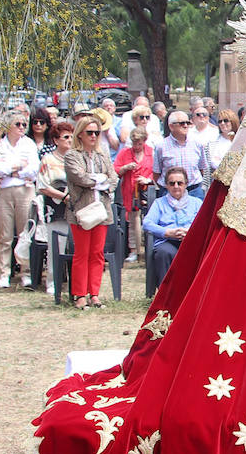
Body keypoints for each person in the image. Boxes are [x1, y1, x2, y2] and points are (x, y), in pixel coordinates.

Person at [63, 116, 118, 309]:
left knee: (97, 254)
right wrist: (99, 180)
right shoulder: (72, 156)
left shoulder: (103, 155)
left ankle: (94, 294)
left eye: (97, 132)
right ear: (80, 134)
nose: (94, 136)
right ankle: (80, 295)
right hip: (82, 211)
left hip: (102, 210)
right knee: (82, 253)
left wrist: (100, 179)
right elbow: (79, 177)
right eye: (90, 132)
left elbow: (113, 178)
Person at [0, 108, 39, 288]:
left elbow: (33, 170)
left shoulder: (29, 144)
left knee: (24, 233)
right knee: (4, 235)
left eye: (24, 125)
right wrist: (18, 167)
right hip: (3, 192)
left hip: (24, 191)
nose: (21, 127)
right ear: (8, 126)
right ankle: (5, 272)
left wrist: (11, 170)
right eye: (17, 124)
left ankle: (25, 271)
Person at [33, 120, 74, 293]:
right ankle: (52, 281)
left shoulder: (75, 158)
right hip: (55, 209)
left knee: (73, 247)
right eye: (66, 137)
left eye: (72, 137)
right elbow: (42, 186)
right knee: (55, 246)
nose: (70, 140)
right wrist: (62, 196)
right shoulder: (48, 160)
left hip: (75, 209)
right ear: (56, 140)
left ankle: (74, 283)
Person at [143, 165, 201, 282]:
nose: (176, 187)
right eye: (172, 183)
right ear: (166, 185)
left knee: (198, 253)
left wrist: (189, 232)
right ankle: (166, 296)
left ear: (186, 184)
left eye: (180, 183)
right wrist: (167, 232)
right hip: (167, 241)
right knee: (164, 253)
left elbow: (204, 224)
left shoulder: (196, 203)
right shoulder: (159, 203)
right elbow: (147, 223)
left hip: (190, 241)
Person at [114, 125, 155, 261]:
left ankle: (148, 249)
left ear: (144, 141)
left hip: (147, 191)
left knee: (149, 219)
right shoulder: (125, 153)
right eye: (134, 143)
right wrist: (125, 168)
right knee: (133, 220)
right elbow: (116, 170)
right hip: (130, 191)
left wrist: (147, 179)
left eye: (139, 143)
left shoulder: (151, 152)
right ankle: (133, 250)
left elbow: (156, 171)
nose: (137, 146)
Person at [152, 110, 210, 198]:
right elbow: (156, 173)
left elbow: (201, 169)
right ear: (171, 126)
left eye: (187, 123)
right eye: (182, 123)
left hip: (194, 191)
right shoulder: (161, 146)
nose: (186, 126)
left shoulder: (198, 144)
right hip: (169, 192)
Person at [204, 110, 238, 182]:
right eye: (220, 121)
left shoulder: (240, 140)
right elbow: (213, 163)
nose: (222, 123)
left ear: (233, 121)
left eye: (226, 121)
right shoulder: (212, 142)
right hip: (218, 182)